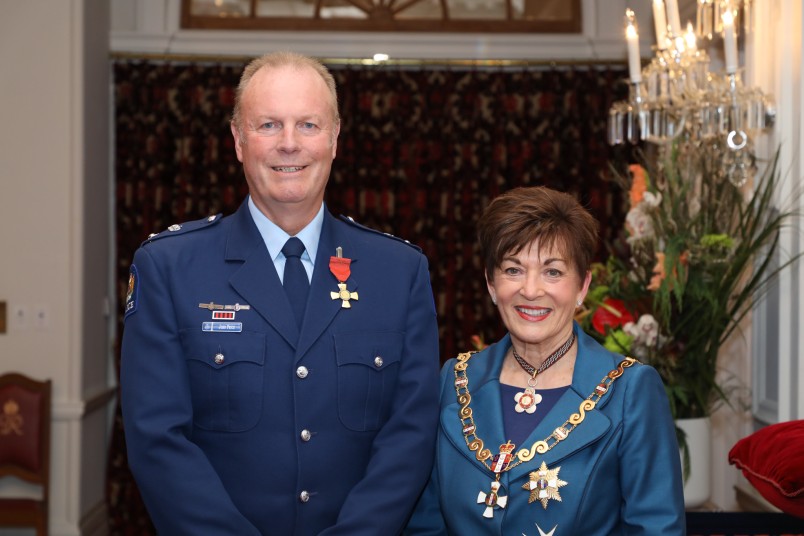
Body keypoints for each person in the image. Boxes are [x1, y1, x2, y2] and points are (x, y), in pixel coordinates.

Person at [120, 51, 440, 535]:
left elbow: (410, 436)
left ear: (335, 139)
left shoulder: (399, 272)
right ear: (237, 141)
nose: (289, 144)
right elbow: (158, 442)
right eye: (268, 125)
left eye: (308, 125)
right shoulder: (169, 268)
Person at [405, 186, 685, 535]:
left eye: (553, 272)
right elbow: (425, 525)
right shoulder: (455, 378)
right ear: (491, 284)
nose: (531, 290)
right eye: (513, 270)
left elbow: (656, 528)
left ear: (582, 286)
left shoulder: (630, 389)